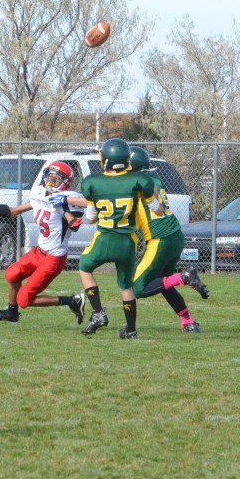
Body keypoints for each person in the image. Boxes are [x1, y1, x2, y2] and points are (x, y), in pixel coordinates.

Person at [0, 161, 87, 324]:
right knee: (12, 274)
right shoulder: (39, 193)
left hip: (54, 258)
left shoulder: (70, 199)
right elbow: (14, 211)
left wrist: (69, 215)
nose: (52, 182)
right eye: (50, 177)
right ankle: (11, 313)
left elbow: (83, 207)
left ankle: (72, 301)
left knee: (24, 300)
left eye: (57, 179)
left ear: (67, 183)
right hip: (39, 252)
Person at [77, 138, 163, 338]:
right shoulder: (139, 180)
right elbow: (158, 211)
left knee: (84, 267)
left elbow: (90, 219)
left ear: (105, 159)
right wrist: (154, 194)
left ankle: (98, 312)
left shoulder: (93, 182)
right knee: (126, 286)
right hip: (128, 242)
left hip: (105, 238)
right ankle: (131, 330)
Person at [127, 146, 209, 334]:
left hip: (160, 238)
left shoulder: (134, 183)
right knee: (164, 283)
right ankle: (188, 322)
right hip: (174, 235)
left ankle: (185, 277)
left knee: (136, 289)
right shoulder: (153, 179)